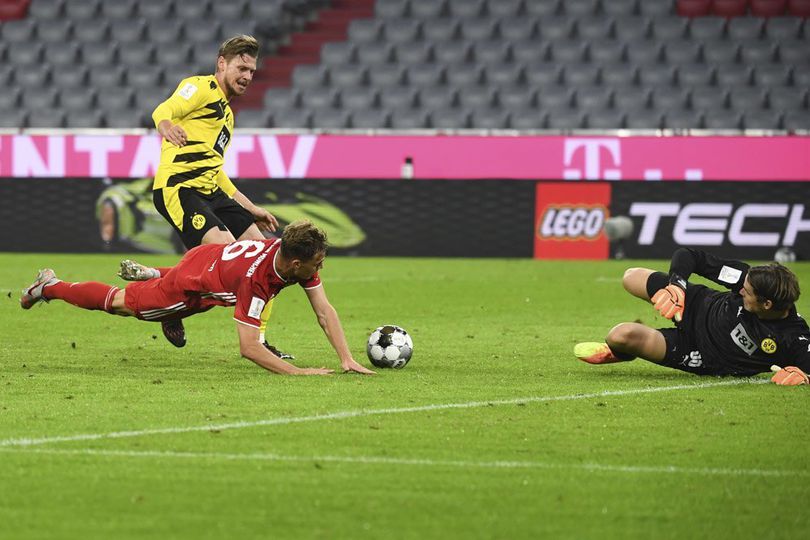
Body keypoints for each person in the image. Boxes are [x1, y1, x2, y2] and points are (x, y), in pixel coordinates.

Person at [19, 220, 375, 377]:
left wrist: (346, 358)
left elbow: (324, 310)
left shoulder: (292, 260)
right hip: (190, 287)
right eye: (318, 262)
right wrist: (299, 372)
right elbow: (249, 348)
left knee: (196, 285)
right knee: (119, 303)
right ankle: (50, 285)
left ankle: (158, 274)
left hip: (207, 259)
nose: (321, 267)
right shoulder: (258, 281)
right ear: (296, 263)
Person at [147, 34, 286, 356]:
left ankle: (260, 341)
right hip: (180, 188)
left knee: (265, 258)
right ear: (222, 64)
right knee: (226, 262)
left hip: (212, 191)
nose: (247, 76)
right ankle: (170, 307)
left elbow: (216, 170)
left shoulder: (227, 116)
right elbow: (166, 107)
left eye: (251, 72)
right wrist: (165, 124)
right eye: (241, 67)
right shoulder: (199, 87)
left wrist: (251, 209)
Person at [574, 248, 810, 386]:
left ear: (767, 304)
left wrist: (803, 376)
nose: (740, 290)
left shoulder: (794, 338)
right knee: (630, 276)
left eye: (746, 293)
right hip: (696, 303)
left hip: (699, 352)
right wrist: (677, 287)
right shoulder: (747, 277)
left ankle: (620, 354)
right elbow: (689, 255)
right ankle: (675, 296)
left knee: (620, 336)